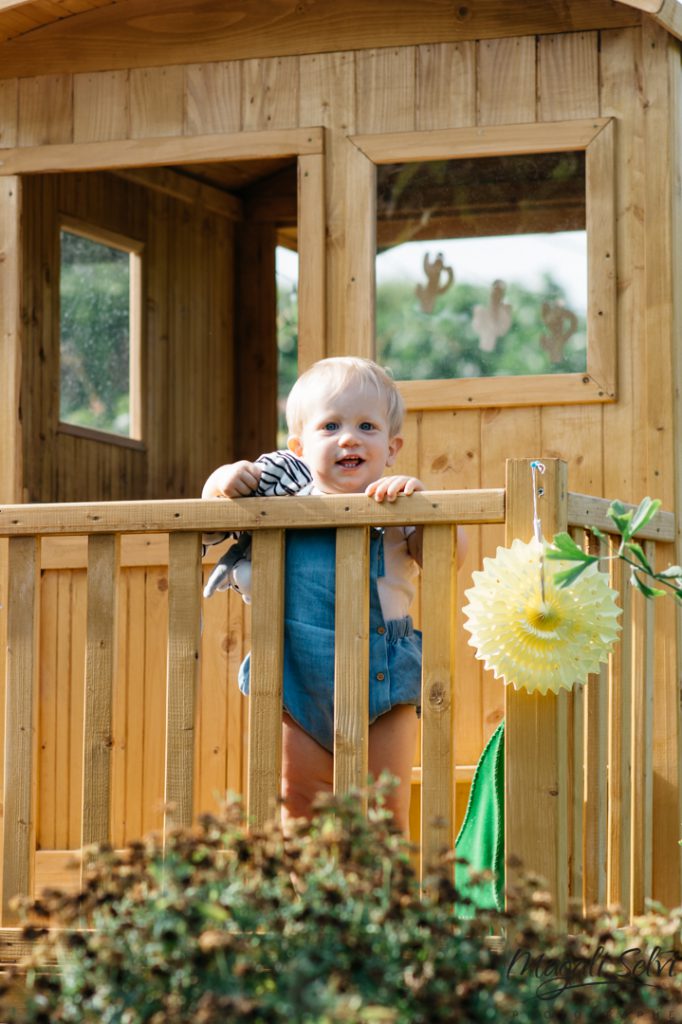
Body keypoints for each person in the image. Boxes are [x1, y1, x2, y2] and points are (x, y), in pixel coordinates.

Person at [202, 357, 464, 832]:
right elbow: (208, 522)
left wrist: (424, 509)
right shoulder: (279, 504)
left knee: (384, 811)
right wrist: (221, 484)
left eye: (367, 426)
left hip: (384, 672)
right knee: (300, 805)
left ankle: (385, 904)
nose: (349, 437)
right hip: (296, 669)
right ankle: (322, 904)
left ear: (391, 446)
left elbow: (450, 557)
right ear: (299, 447)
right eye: (331, 425)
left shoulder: (395, 502)